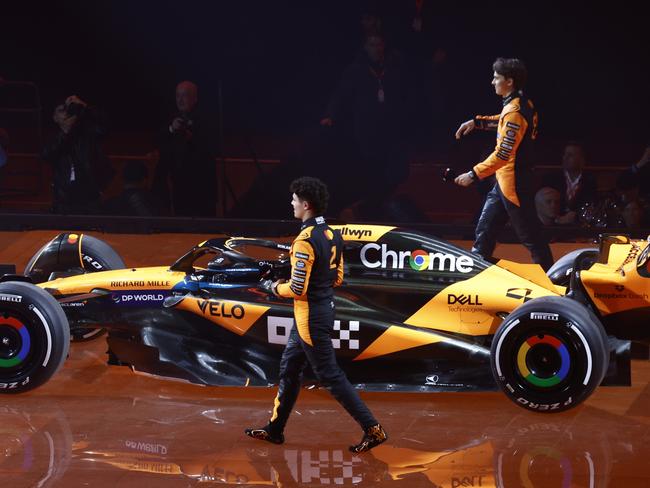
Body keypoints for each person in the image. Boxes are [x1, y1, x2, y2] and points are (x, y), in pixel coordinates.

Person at [245, 176, 387, 454]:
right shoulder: (332, 234)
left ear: (306, 204)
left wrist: (273, 287)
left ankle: (373, 429)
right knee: (289, 369)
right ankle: (275, 430)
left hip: (309, 317)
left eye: (295, 200)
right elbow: (338, 278)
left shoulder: (305, 241)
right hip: (319, 312)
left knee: (330, 375)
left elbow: (298, 288)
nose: (292, 203)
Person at [453, 58, 554, 270]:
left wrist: (473, 174)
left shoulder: (515, 111)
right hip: (505, 182)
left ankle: (554, 283)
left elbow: (502, 155)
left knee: (531, 236)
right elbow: (504, 121)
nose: (492, 82)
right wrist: (477, 122)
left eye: (496, 78)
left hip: (514, 183)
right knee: (485, 231)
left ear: (509, 81)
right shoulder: (522, 104)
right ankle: (474, 277)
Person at [153, 80, 218, 217]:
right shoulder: (171, 117)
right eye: (178, 96)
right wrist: (172, 129)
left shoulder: (206, 119)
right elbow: (158, 139)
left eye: (185, 95)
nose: (180, 100)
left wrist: (192, 137)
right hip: (179, 185)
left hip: (202, 187)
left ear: (195, 98)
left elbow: (212, 147)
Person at [41, 95, 112, 214]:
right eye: (61, 110)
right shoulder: (53, 138)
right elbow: (47, 155)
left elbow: (105, 125)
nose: (66, 113)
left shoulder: (88, 134)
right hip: (64, 196)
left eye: (67, 109)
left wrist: (85, 106)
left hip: (90, 195)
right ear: (55, 118)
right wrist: (66, 131)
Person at [542, 142, 597, 213]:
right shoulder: (551, 179)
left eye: (570, 155)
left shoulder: (589, 181)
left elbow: (591, 206)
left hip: (579, 222)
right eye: (565, 154)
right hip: (555, 222)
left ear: (581, 160)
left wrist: (575, 217)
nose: (565, 157)